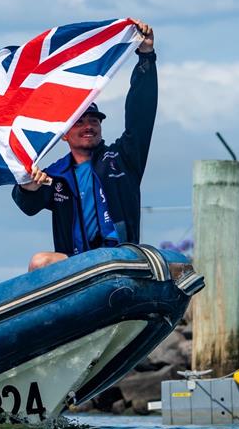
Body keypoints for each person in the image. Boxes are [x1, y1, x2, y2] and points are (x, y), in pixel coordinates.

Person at [12, 20, 157, 271]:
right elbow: (29, 207)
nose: (88, 126)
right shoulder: (55, 175)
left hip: (121, 257)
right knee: (39, 262)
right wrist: (27, 188)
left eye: (93, 121)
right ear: (65, 134)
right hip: (79, 267)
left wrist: (145, 57)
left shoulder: (122, 158)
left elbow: (141, 115)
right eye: (79, 122)